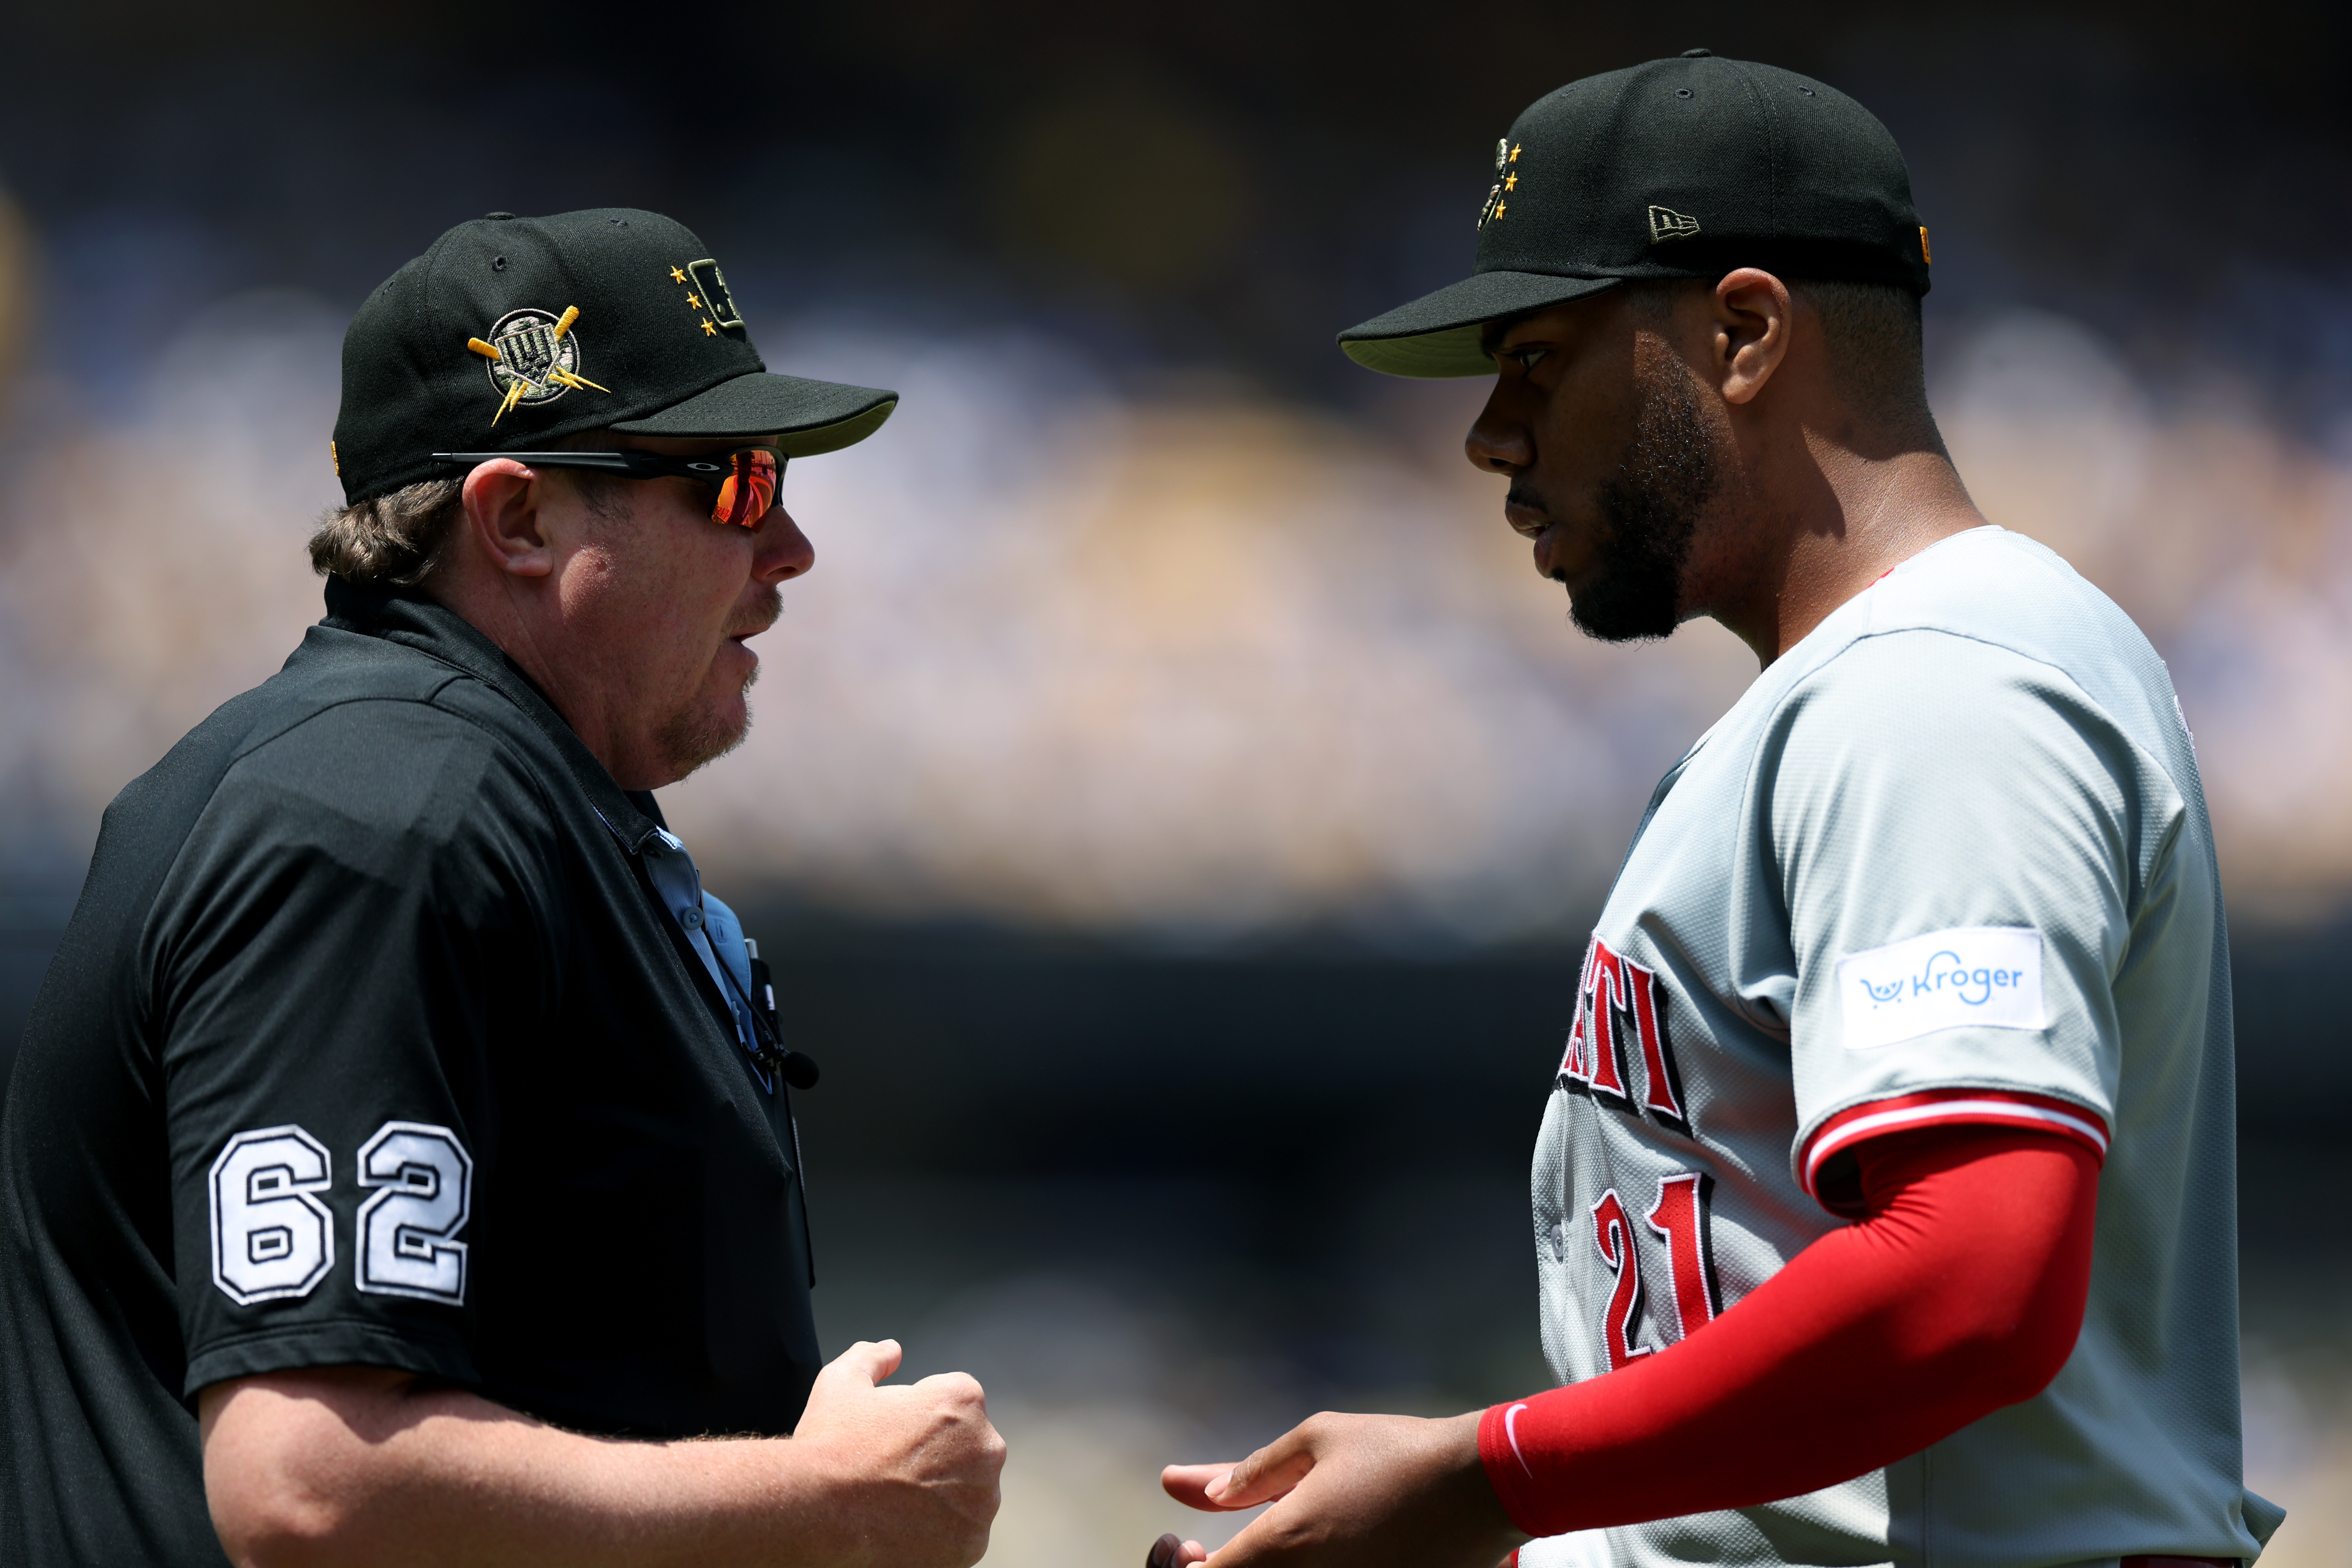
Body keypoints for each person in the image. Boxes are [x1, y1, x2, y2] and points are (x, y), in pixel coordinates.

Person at [1150, 52, 2284, 1568]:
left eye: (1538, 359)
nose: (1492, 434)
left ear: (1744, 332)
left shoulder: (1939, 689)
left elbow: (1970, 1282)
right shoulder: (1854, 697)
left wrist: (1482, 1479)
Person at [0, 208, 1005, 1567]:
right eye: (733, 484)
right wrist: (818, 1503)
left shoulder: (495, 797)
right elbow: (310, 1484)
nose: (790, 551)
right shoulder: (380, 820)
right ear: (518, 516)